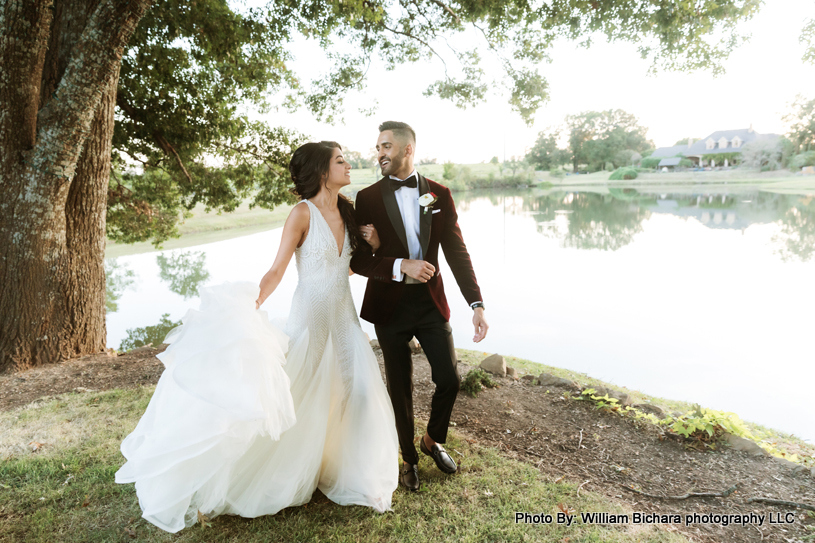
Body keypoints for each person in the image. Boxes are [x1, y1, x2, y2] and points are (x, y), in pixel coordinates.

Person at [115, 142, 398, 533]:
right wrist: (255, 300)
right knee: (296, 393)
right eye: (340, 161)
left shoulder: (348, 210)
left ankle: (353, 474)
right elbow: (278, 269)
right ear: (320, 171)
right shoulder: (301, 213)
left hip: (344, 317)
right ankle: (252, 476)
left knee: (355, 388)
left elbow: (343, 267)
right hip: (310, 318)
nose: (349, 164)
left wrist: (376, 247)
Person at [351, 121, 488, 491]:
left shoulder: (439, 194)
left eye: (386, 147)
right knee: (400, 387)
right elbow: (360, 262)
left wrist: (476, 302)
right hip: (389, 305)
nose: (379, 153)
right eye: (377, 147)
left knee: (449, 378)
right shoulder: (366, 198)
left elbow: (457, 251)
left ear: (407, 149)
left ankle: (431, 440)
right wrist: (399, 263)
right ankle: (408, 459)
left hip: (430, 303)